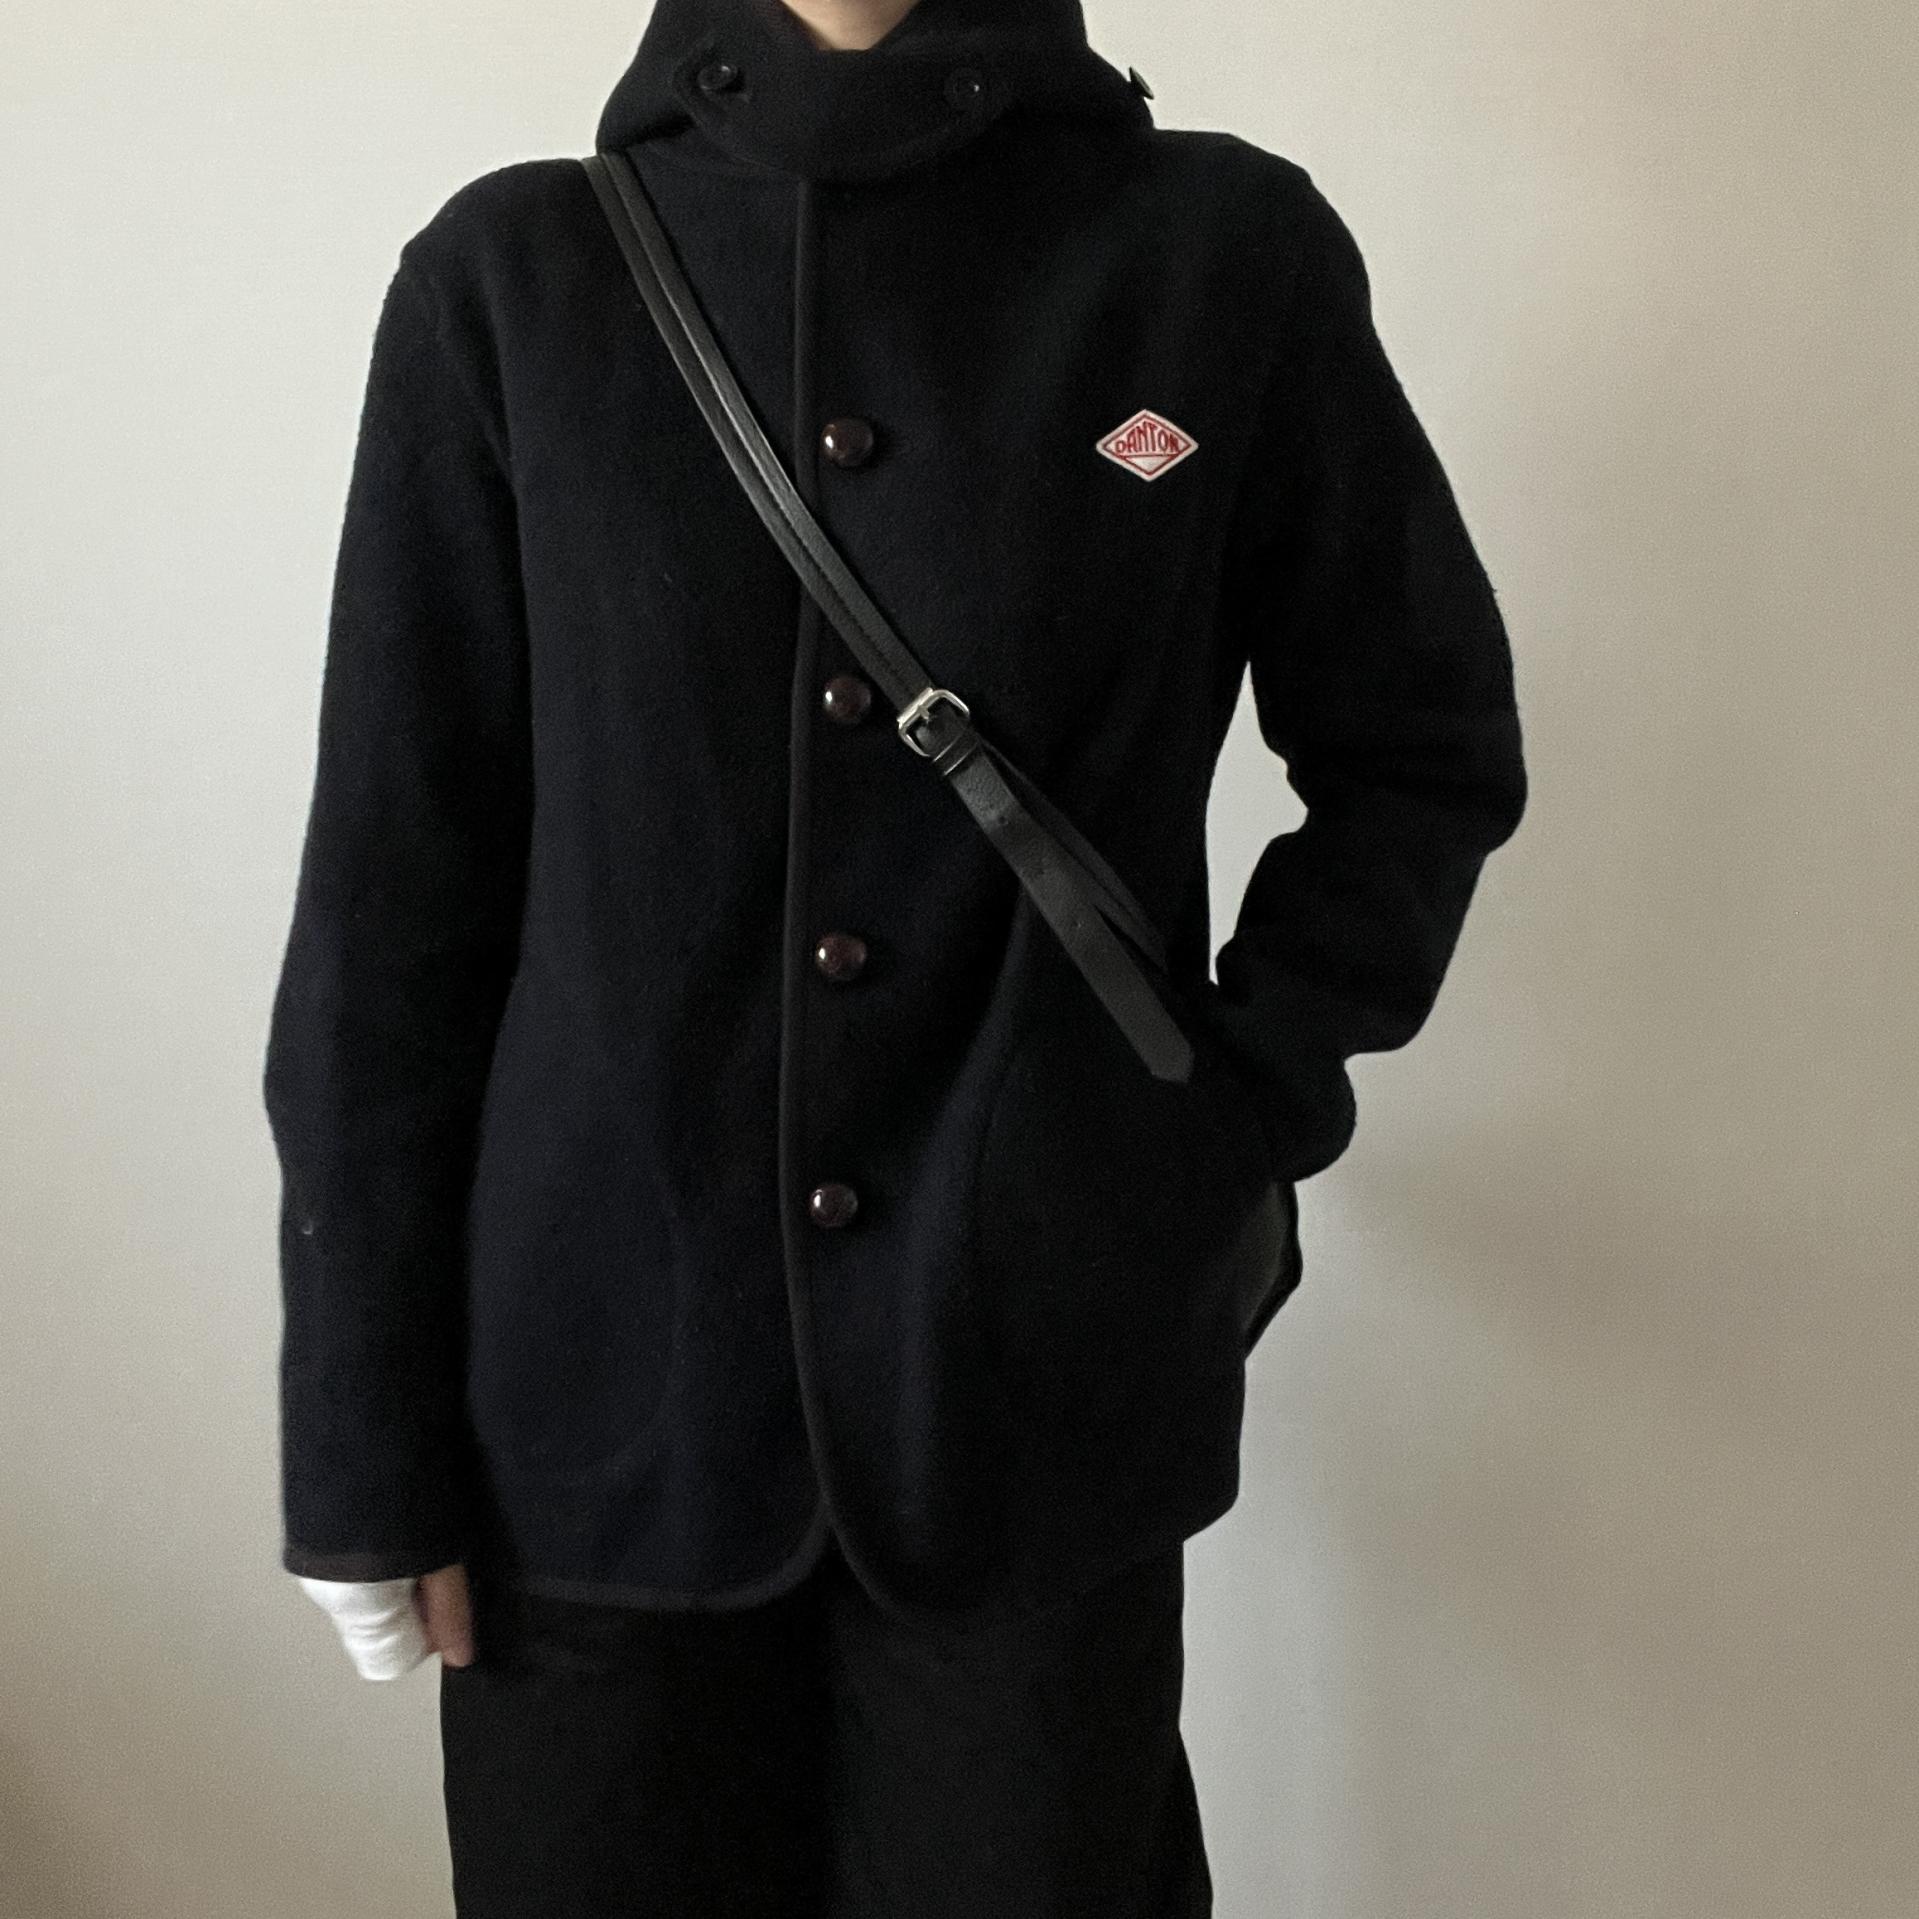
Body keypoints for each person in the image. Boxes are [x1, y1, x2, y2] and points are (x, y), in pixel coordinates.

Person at [262, 0, 1528, 1908]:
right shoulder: (513, 280)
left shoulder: (1214, 255)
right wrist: (362, 1432)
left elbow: (1418, 754)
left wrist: (1221, 1114)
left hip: (1037, 1417)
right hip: (590, 1428)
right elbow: (393, 899)